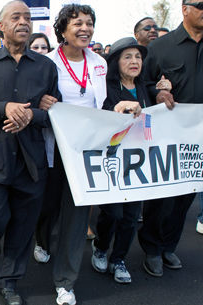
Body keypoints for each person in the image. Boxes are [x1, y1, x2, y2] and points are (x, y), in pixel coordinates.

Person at [0, 1, 60, 304]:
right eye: (16, 17)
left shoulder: (46, 67)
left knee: (23, 225)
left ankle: (10, 280)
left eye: (28, 18)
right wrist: (3, 107)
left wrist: (34, 116)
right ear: (1, 26)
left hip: (32, 162)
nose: (24, 22)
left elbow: (56, 113)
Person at [38, 4, 106, 305]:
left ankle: (65, 282)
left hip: (86, 154)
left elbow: (109, 100)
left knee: (76, 219)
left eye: (89, 23)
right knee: (47, 208)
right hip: (53, 152)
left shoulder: (101, 64)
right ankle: (41, 239)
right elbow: (32, 98)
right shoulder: (47, 63)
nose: (85, 29)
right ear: (63, 29)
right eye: (78, 23)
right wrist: (40, 101)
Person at [139, 0, 203, 278]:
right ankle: (151, 249)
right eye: (200, 4)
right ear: (185, 8)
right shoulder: (161, 48)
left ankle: (169, 246)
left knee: (187, 197)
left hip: (199, 139)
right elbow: (142, 83)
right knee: (163, 197)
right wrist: (158, 92)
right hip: (167, 136)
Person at [90, 37, 150, 284]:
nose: (134, 61)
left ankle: (119, 259)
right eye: (128, 56)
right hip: (112, 160)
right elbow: (98, 118)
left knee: (131, 216)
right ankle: (101, 246)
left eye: (137, 57)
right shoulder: (106, 88)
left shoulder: (146, 87)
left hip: (137, 162)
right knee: (113, 212)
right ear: (115, 62)